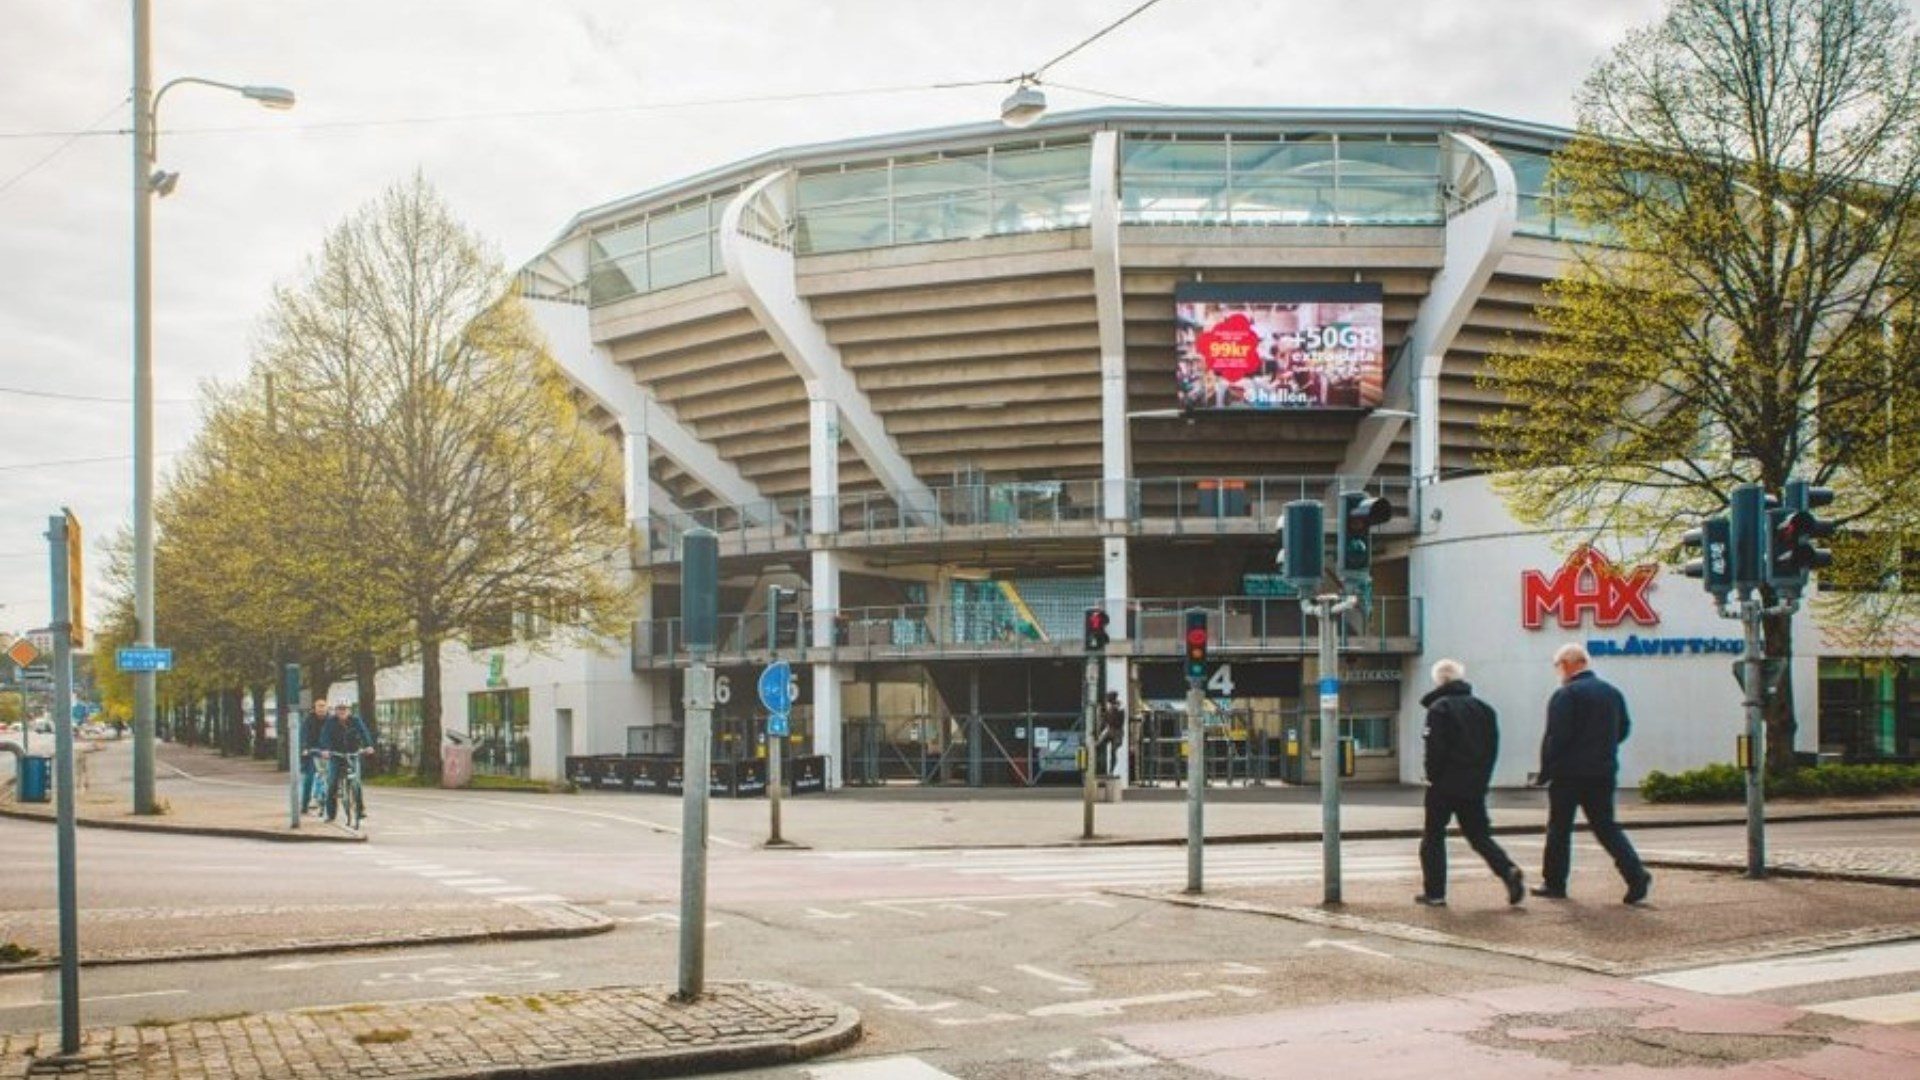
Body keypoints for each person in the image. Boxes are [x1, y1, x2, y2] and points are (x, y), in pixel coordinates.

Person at [1533, 643, 1653, 905]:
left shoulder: (1566, 695)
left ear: (1567, 664)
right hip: (1602, 770)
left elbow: (1556, 737)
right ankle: (1636, 874)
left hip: (1568, 773)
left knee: (1559, 828)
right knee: (1606, 827)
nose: (1558, 672)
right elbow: (1623, 728)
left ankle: (1554, 883)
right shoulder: (1611, 693)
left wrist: (1545, 771)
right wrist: (1601, 747)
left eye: (1558, 667)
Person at [1414, 659, 1525, 908]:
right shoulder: (1484, 709)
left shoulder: (1439, 709)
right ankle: (1507, 870)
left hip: (1444, 785)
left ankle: (1435, 893)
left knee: (1433, 837)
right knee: (1479, 836)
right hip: (1474, 783)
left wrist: (1432, 776)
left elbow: (1435, 749)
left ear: (1438, 680)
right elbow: (1492, 748)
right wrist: (1482, 778)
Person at [316, 701, 375, 823]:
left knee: (356, 782)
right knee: (332, 783)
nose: (342, 711)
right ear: (335, 710)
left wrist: (368, 746)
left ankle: (360, 810)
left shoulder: (356, 721)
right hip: (336, 755)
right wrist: (325, 750)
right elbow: (324, 737)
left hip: (352, 753)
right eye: (339, 709)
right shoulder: (330, 722)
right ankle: (331, 814)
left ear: (349, 710)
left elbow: (364, 733)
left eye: (345, 709)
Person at [299, 699, 329, 812]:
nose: (321, 709)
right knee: (309, 778)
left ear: (327, 708)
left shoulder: (331, 720)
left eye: (323, 706)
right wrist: (304, 748)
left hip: (326, 752)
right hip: (312, 752)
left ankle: (321, 799)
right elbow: (303, 735)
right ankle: (305, 803)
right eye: (319, 706)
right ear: (315, 708)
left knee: (326, 776)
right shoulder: (308, 720)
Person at [1095, 690, 1126, 777]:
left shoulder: (1119, 706)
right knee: (1099, 745)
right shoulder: (1110, 707)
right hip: (1110, 730)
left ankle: (1111, 771)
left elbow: (1116, 718)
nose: (1107, 700)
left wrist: (1107, 714)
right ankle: (1100, 768)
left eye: (1108, 698)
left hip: (1117, 731)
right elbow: (1105, 720)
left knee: (1113, 751)